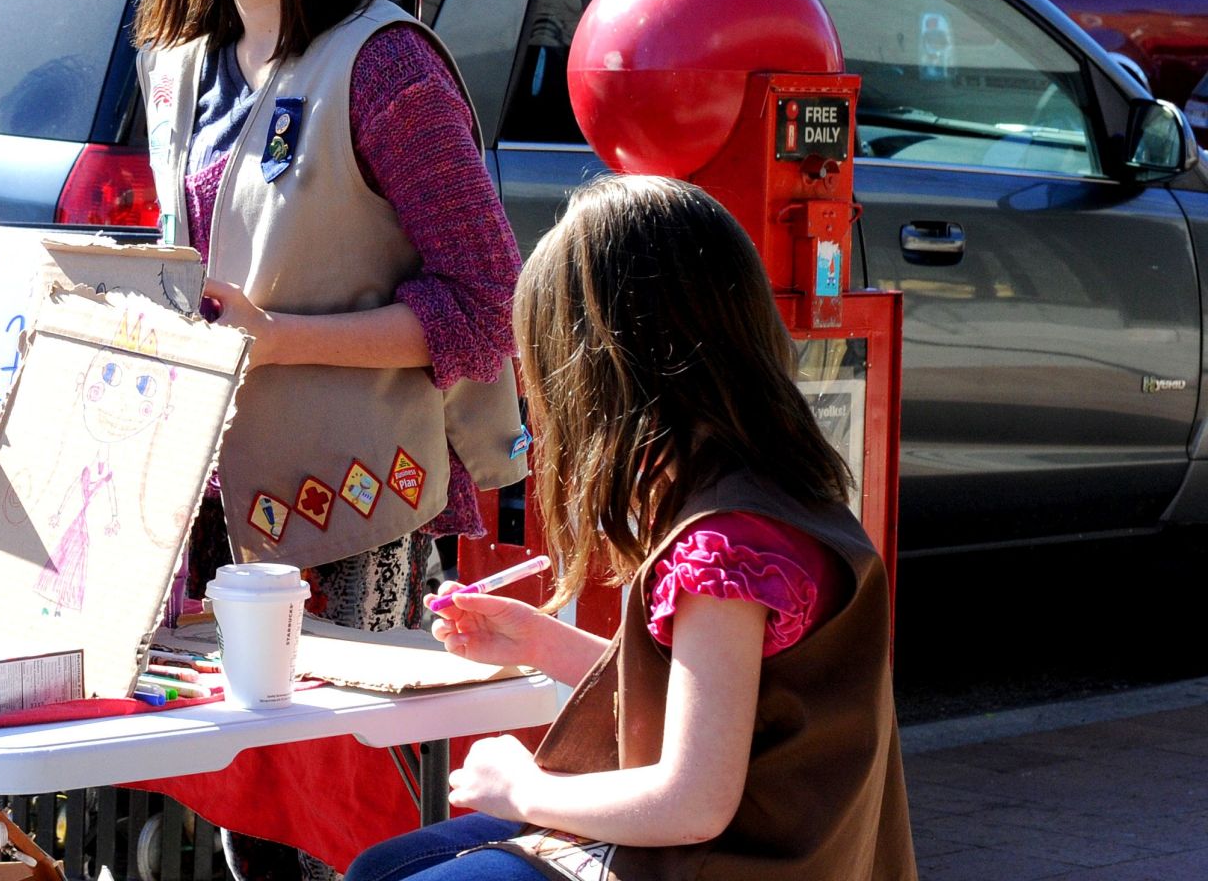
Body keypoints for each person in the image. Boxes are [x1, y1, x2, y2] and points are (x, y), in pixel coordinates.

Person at [136, 0, 529, 878]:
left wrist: (281, 336)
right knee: (245, 823)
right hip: (208, 505)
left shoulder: (386, 64)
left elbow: (485, 307)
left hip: (360, 507)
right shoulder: (180, 65)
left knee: (356, 828)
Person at [350, 174, 914, 880]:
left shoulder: (724, 548)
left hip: (716, 857)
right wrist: (542, 642)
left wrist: (523, 787)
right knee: (384, 867)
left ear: (601, 371)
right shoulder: (776, 493)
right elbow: (720, 701)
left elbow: (692, 802)